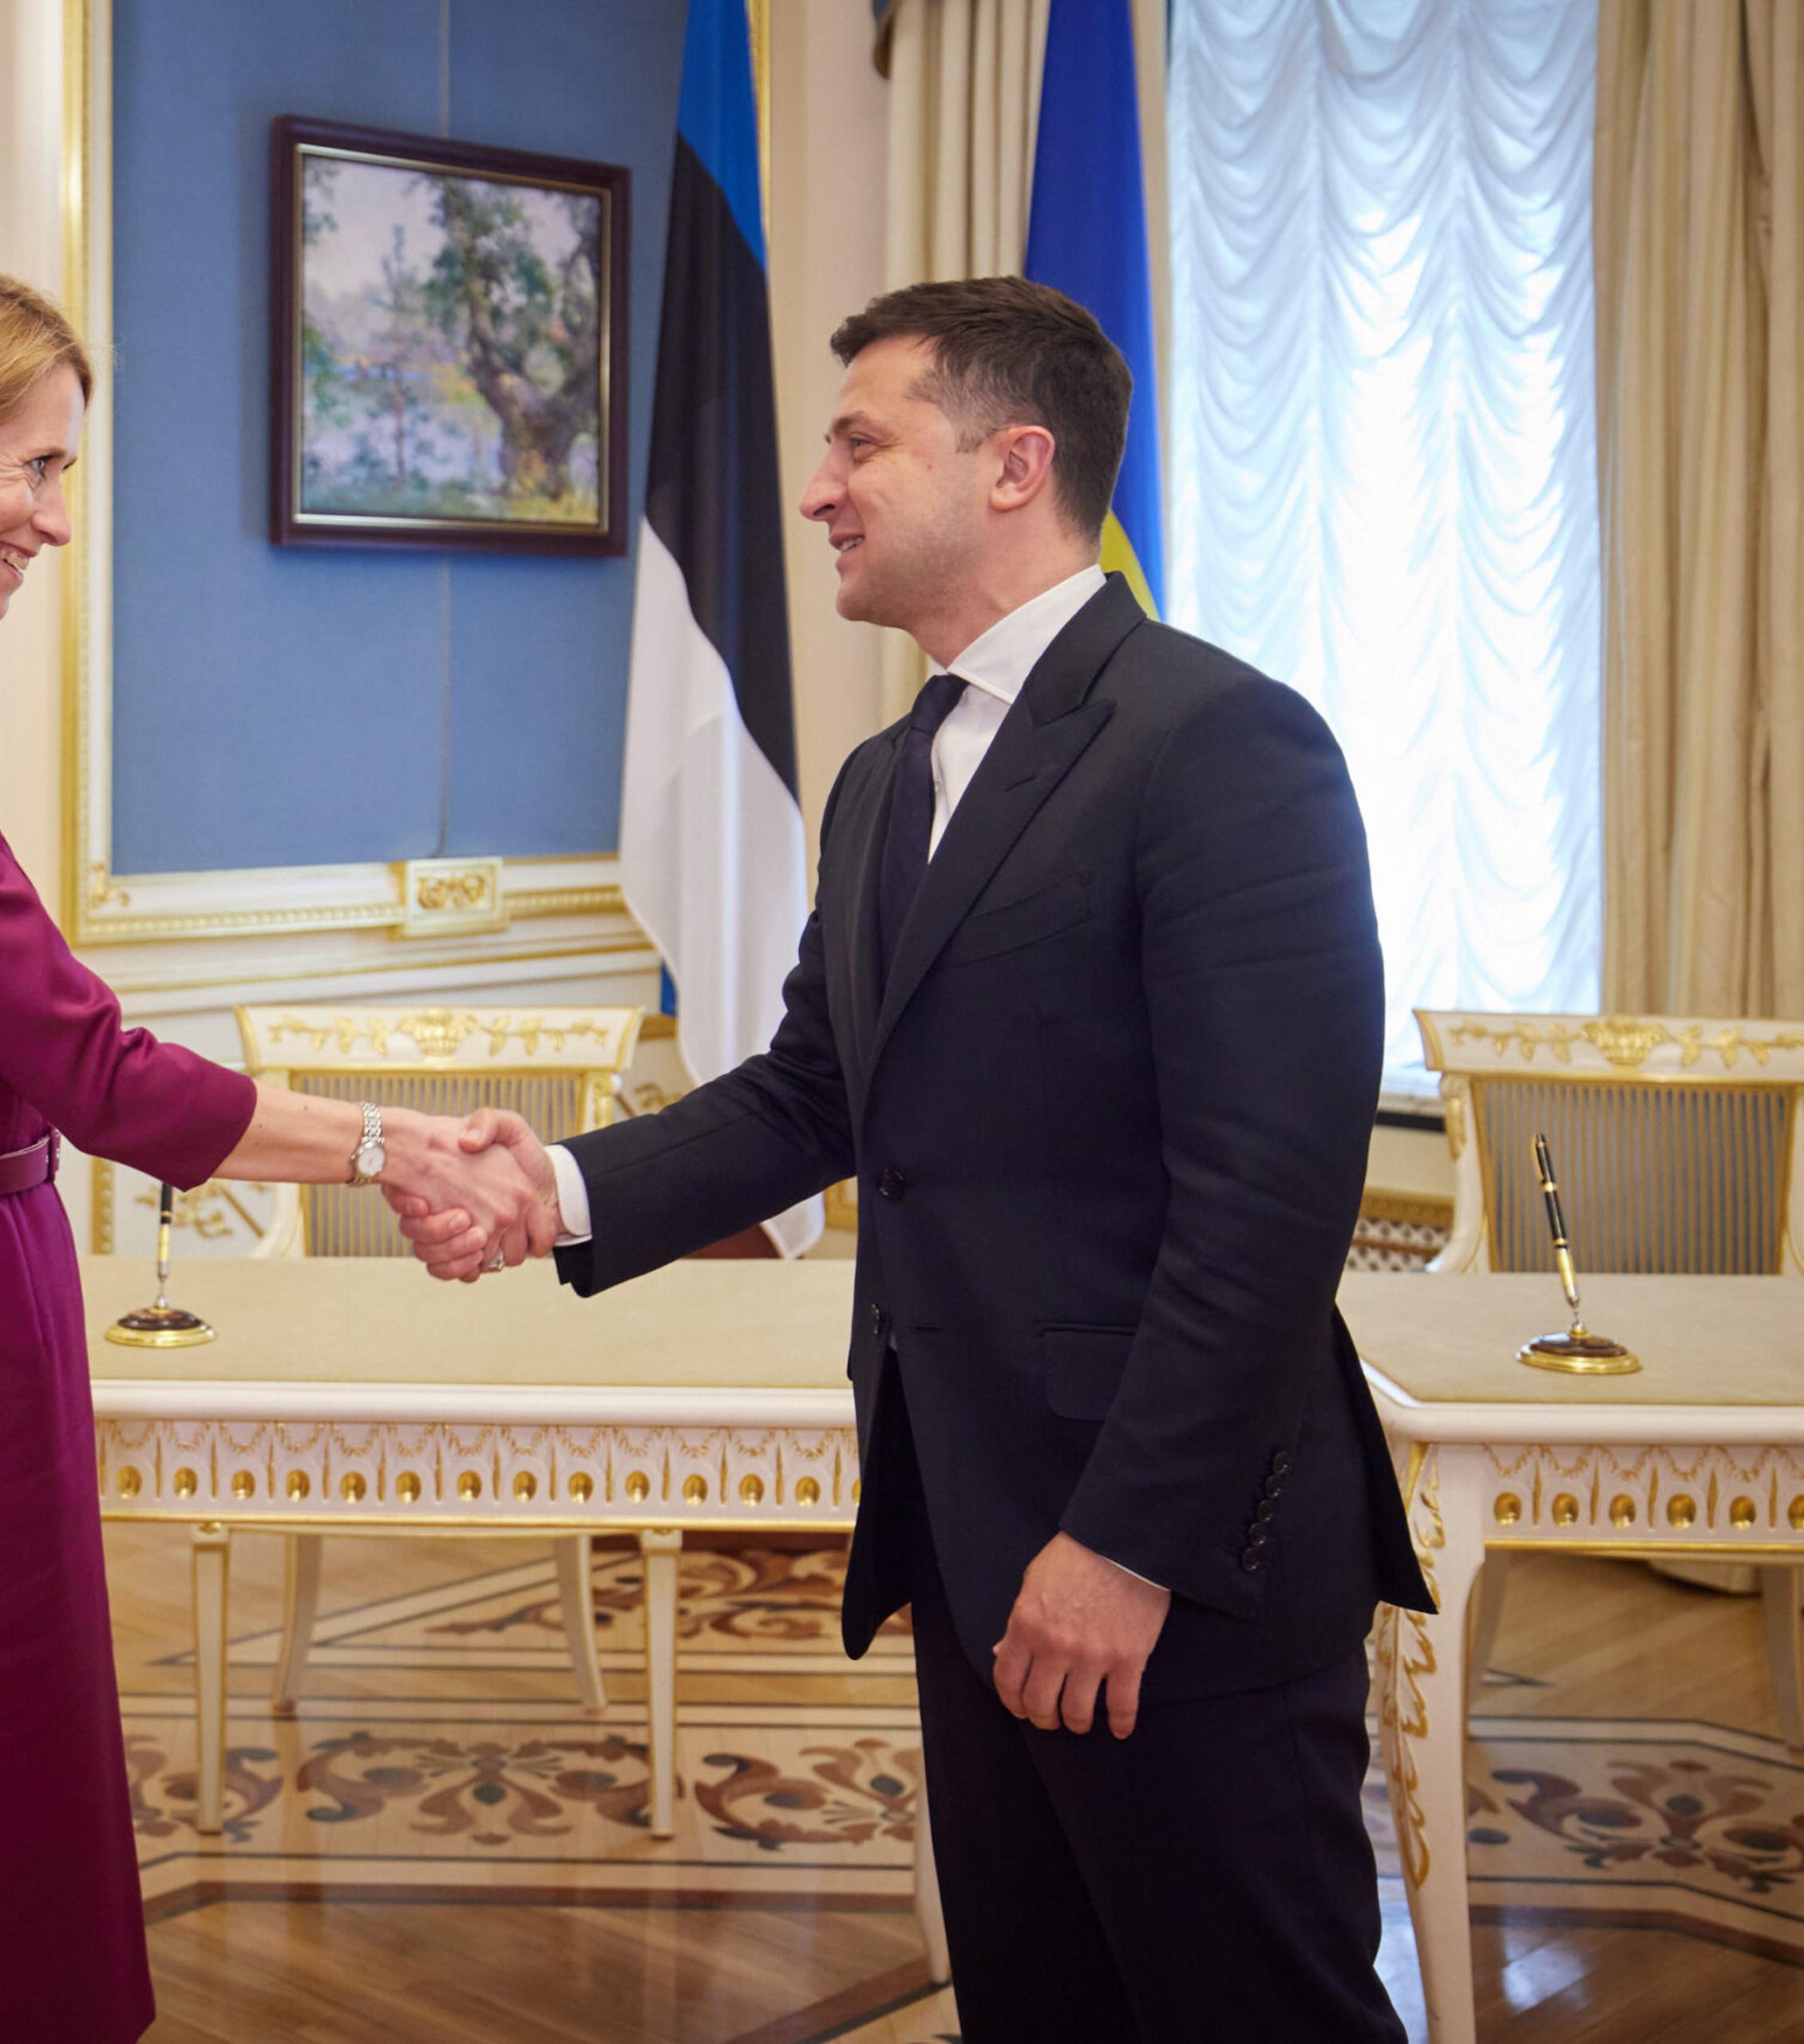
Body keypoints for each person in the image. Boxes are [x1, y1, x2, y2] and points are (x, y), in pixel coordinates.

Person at [400, 276, 1431, 2040]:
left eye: (861, 441)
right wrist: (553, 1186)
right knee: (1039, 2006)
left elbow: (1267, 1214)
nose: (819, 488)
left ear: (1015, 465)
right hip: (965, 1531)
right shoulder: (884, 778)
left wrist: (1125, 1543)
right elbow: (816, 1095)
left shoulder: (1222, 745)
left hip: (1176, 1556)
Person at [0, 252, 548, 2044]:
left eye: (61, 474)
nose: (54, 521)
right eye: (32, 467)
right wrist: (397, 1146)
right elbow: (91, 1068)